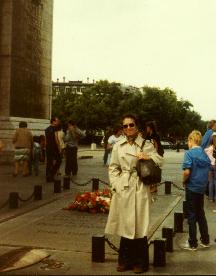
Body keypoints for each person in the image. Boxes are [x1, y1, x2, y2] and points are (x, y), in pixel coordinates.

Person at [105, 114, 163, 273]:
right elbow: (113, 167)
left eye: (131, 125)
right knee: (125, 224)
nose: (128, 128)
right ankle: (124, 260)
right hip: (123, 187)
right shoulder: (118, 145)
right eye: (125, 126)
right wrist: (115, 184)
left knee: (139, 225)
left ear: (137, 126)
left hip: (140, 188)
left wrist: (147, 157)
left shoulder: (146, 143)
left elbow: (160, 160)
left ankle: (141, 262)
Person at [182, 130, 211, 251]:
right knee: (201, 214)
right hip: (201, 188)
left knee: (192, 215)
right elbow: (208, 173)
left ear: (191, 140)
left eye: (188, 141)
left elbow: (187, 171)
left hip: (192, 188)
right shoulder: (205, 155)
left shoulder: (189, 154)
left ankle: (192, 243)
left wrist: (183, 180)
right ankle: (205, 240)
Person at [143, 121, 164, 193]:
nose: (146, 128)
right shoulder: (148, 135)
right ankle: (152, 185)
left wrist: (155, 155)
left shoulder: (155, 135)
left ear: (150, 128)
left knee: (155, 169)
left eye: (147, 127)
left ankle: (154, 187)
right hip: (151, 153)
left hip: (157, 153)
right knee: (150, 169)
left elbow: (156, 145)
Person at [45, 117, 61, 182]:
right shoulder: (55, 129)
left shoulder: (47, 129)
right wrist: (59, 147)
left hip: (48, 147)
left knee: (49, 162)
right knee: (59, 161)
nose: (58, 122)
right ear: (53, 122)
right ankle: (51, 174)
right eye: (57, 121)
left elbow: (46, 139)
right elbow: (56, 138)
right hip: (54, 147)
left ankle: (48, 175)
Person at [204, 132, 216, 201]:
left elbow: (204, 151)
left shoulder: (209, 148)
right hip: (215, 165)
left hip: (209, 165)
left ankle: (211, 198)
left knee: (211, 182)